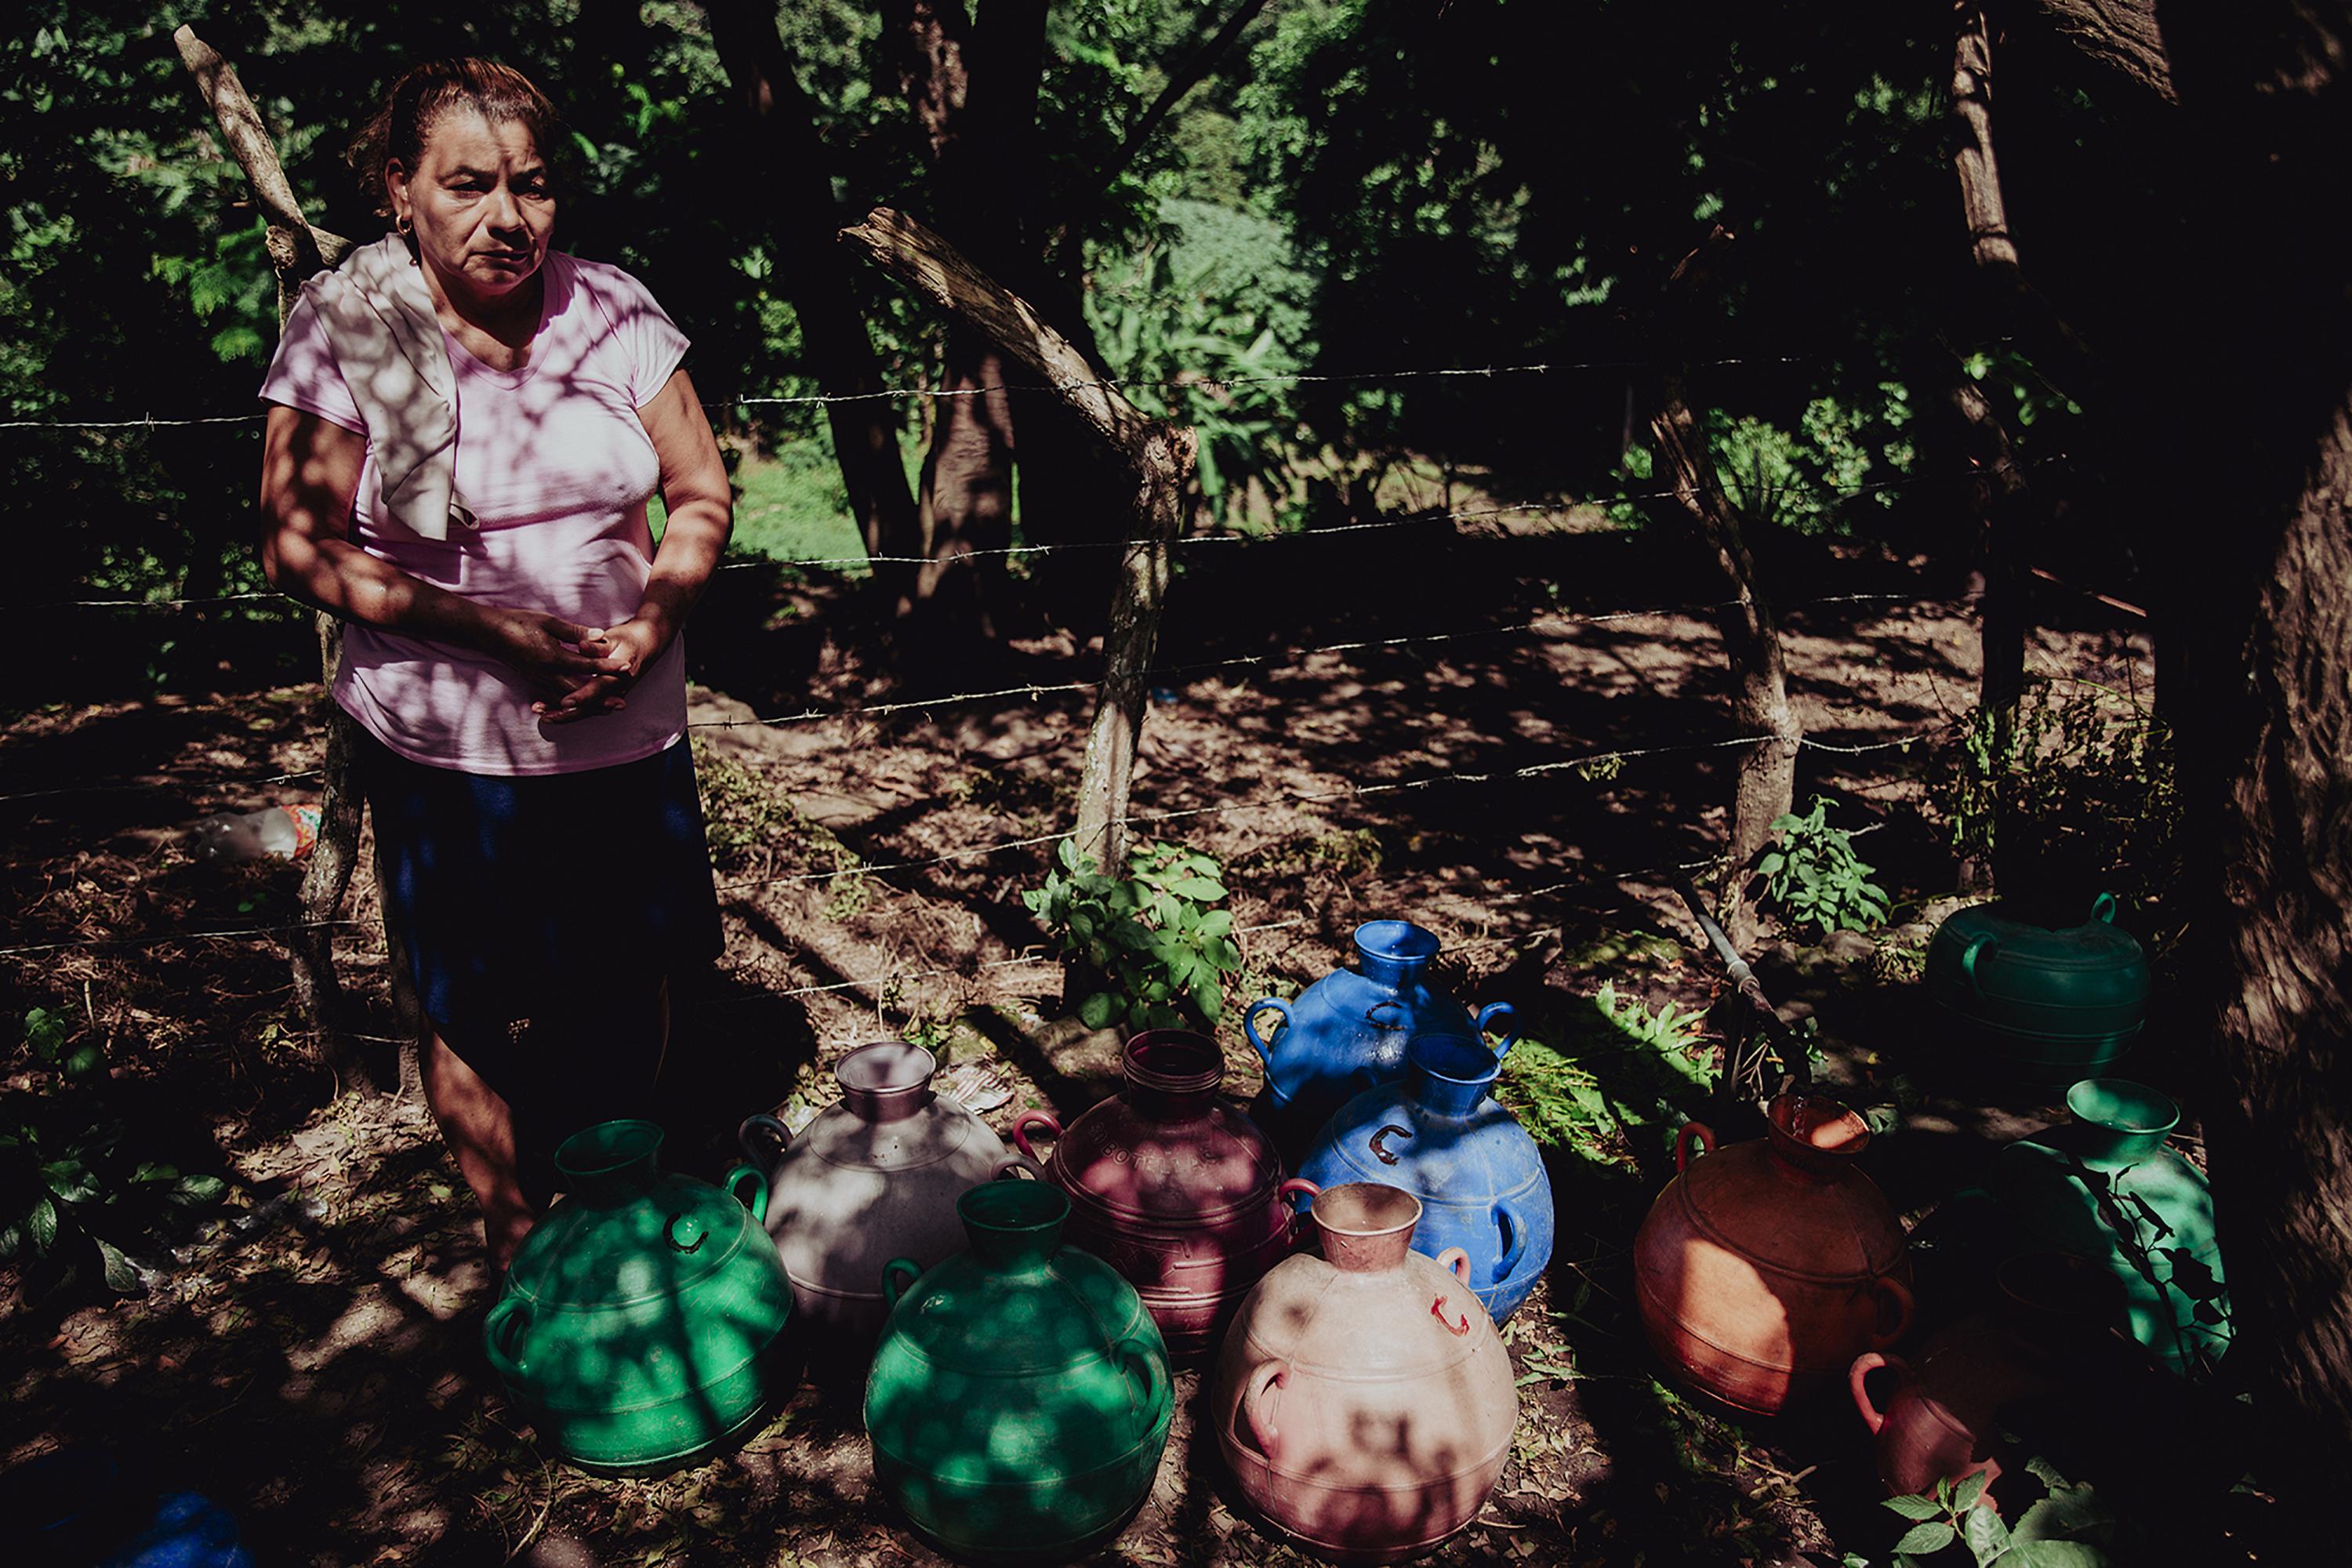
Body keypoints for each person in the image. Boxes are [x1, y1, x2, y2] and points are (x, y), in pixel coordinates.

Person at [256, 58, 731, 1268]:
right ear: (396, 190)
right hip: (446, 747)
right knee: (469, 1001)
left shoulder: (616, 312)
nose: (506, 216)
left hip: (628, 731)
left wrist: (652, 622)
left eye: (532, 185)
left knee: (632, 972)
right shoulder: (346, 330)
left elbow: (701, 494)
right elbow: (295, 547)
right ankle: (522, 1246)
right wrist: (493, 631)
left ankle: (621, 1201)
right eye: (466, 185)